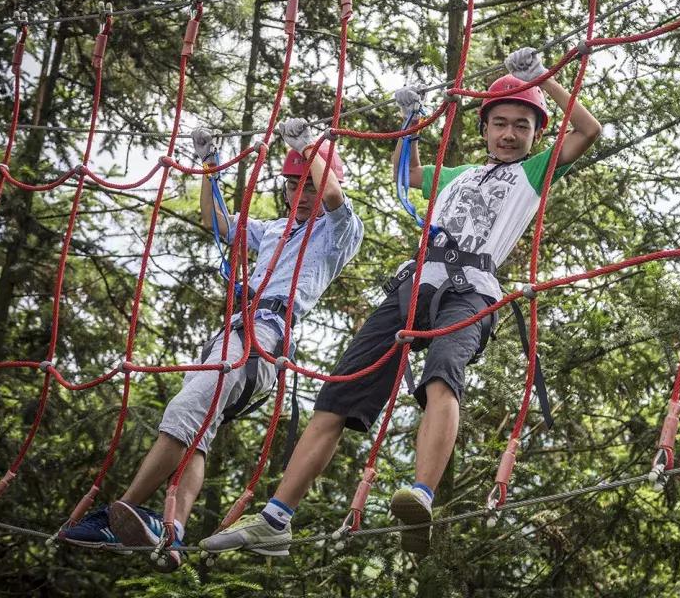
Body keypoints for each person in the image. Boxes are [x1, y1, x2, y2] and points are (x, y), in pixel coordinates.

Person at [201, 46, 600, 556]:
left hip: (471, 289)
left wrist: (544, 78)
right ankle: (277, 518)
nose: (508, 133)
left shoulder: (535, 172)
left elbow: (588, 130)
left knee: (442, 372)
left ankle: (422, 493)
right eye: (499, 123)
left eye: (521, 126)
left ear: (537, 135)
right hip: (414, 286)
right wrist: (410, 124)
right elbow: (405, 174)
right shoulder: (457, 176)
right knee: (340, 392)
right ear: (483, 129)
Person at [59, 119, 364, 570]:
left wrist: (307, 148)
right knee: (197, 433)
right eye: (292, 185)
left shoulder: (340, 231)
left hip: (263, 337)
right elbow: (216, 220)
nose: (300, 194)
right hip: (233, 335)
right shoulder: (274, 230)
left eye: (309, 185)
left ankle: (121, 511)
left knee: (184, 411)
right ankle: (172, 530)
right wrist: (209, 165)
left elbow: (334, 197)